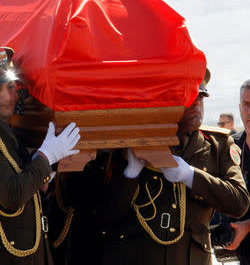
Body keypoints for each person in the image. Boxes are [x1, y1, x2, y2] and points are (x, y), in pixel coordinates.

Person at [101, 68, 249, 265]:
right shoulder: (132, 144)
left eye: (201, 97)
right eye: (188, 97)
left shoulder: (218, 145)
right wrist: (130, 174)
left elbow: (239, 202)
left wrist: (191, 176)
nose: (197, 103)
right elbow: (106, 217)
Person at [0, 47, 81, 265]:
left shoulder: (5, 132)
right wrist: (46, 157)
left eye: (11, 87)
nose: (8, 96)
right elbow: (11, 195)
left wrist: (42, 173)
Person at [224, 79, 250, 264]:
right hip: (241, 253)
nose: (249, 112)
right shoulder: (229, 145)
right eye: (246, 104)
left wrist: (247, 226)